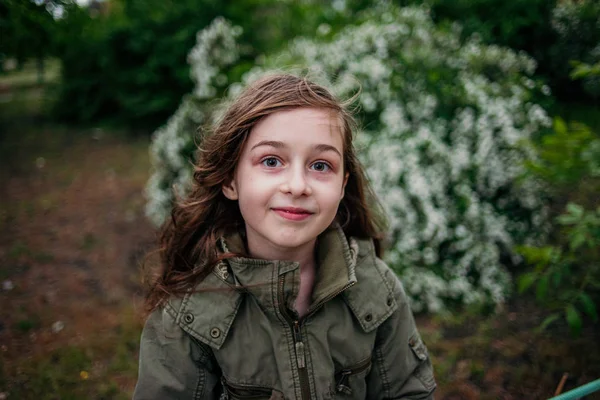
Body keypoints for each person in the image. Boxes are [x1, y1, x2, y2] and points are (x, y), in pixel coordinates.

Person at [134, 73, 436, 399]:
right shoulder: (190, 309)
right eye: (271, 161)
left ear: (342, 184)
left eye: (320, 166)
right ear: (230, 180)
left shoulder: (377, 289)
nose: (297, 186)